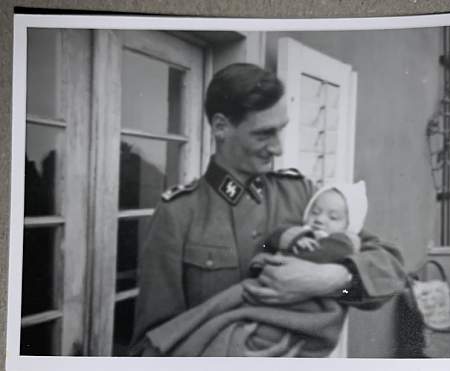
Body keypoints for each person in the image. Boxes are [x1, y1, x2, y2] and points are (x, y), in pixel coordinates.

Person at [130, 63, 406, 356]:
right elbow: (155, 343)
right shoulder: (178, 214)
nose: (278, 148)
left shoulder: (303, 197)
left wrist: (331, 280)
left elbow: (390, 272)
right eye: (264, 134)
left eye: (281, 130)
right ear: (221, 127)